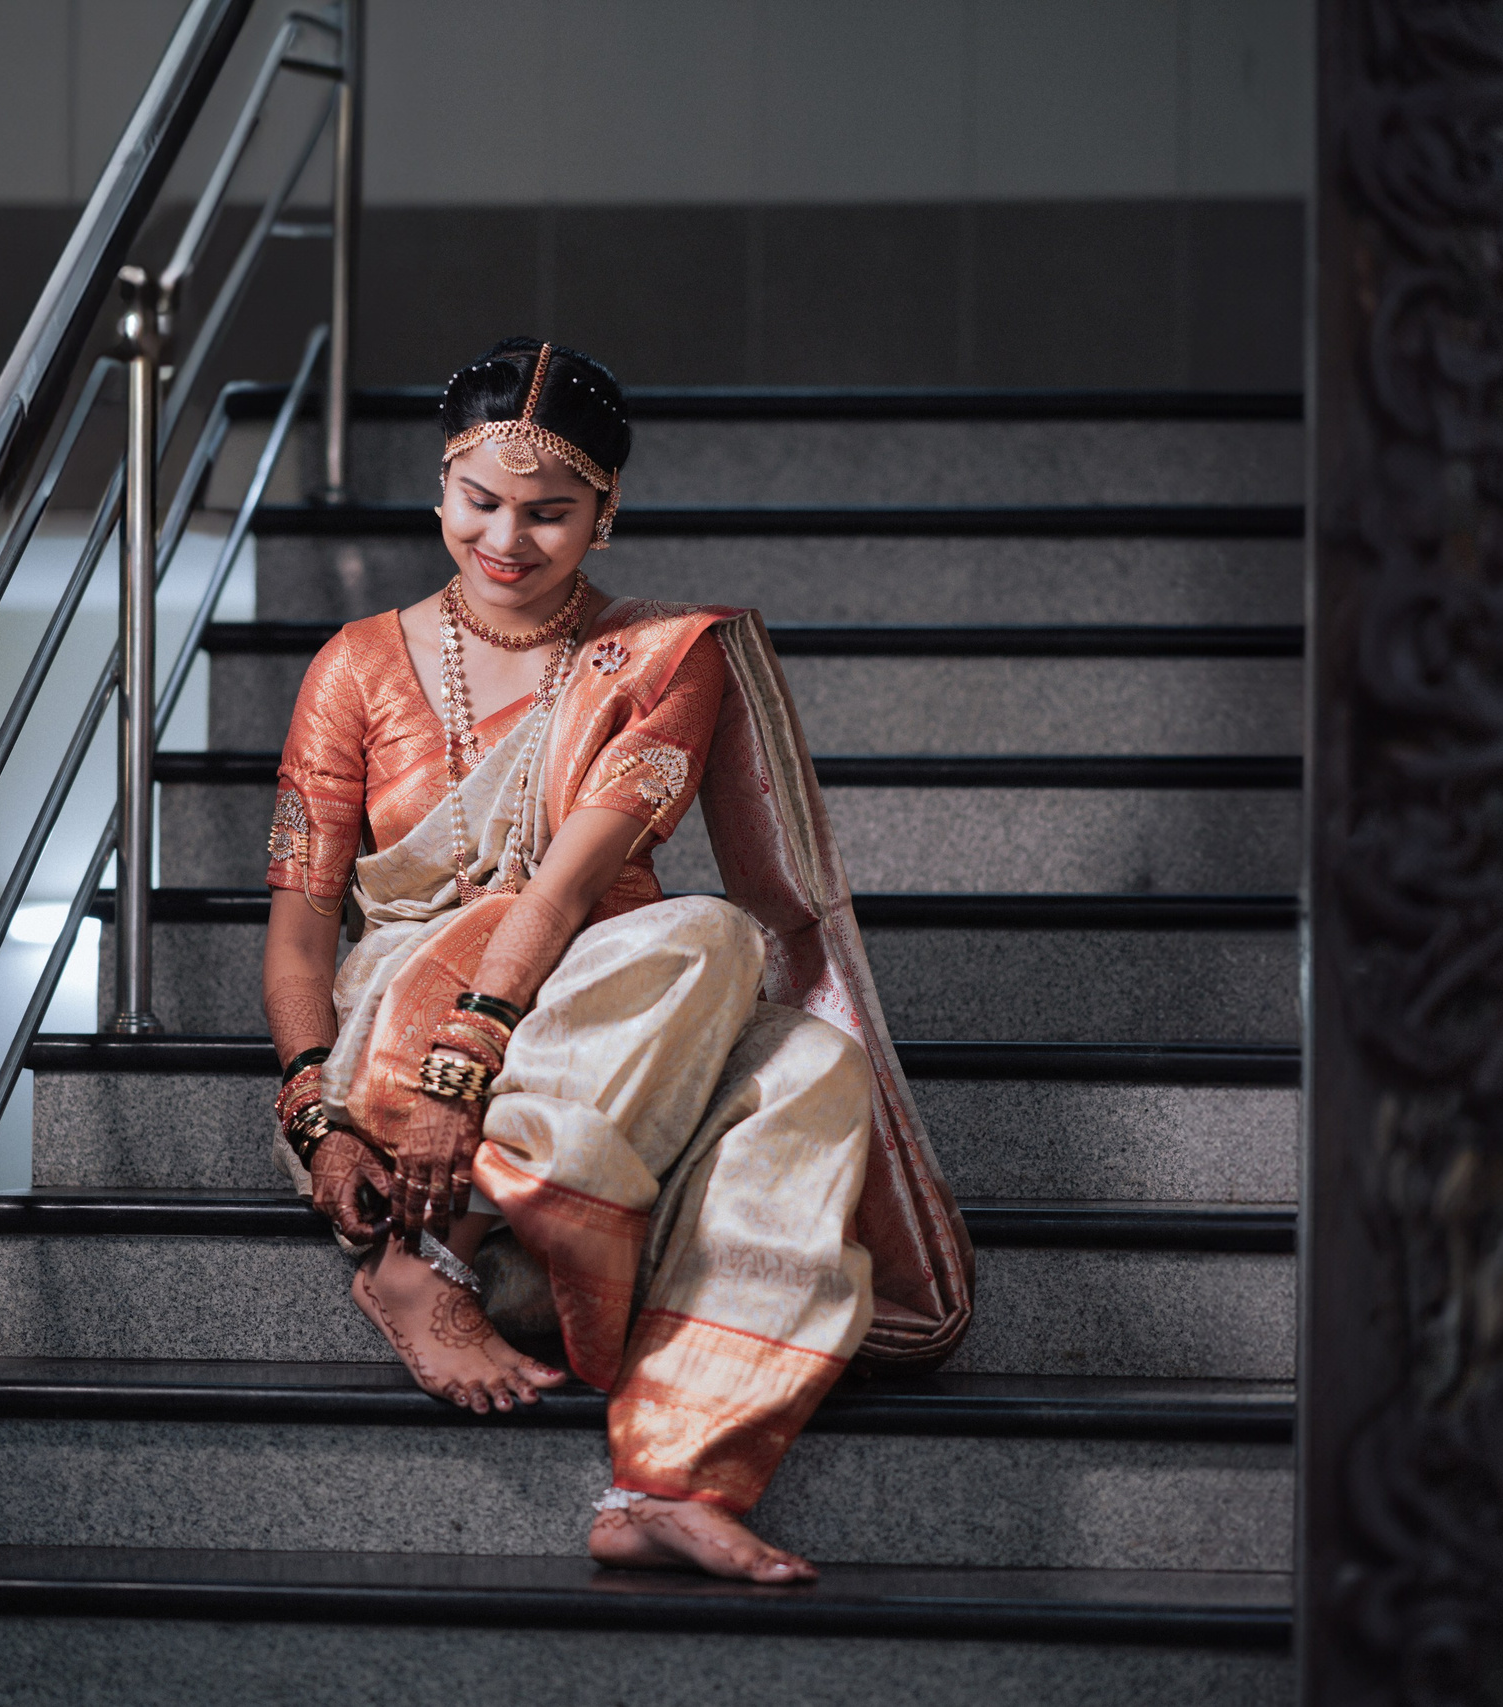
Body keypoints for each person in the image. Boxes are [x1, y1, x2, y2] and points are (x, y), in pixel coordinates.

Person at [261, 339, 972, 1584]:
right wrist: (316, 1109)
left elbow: (567, 887)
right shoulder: (357, 666)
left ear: (608, 513)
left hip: (593, 1045)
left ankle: (669, 1476)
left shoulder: (662, 655)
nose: (508, 540)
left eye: (550, 514)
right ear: (440, 492)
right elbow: (300, 935)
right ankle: (425, 1265)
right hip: (399, 1072)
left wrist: (475, 1061)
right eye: (480, 504)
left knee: (806, 1057)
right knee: (705, 938)